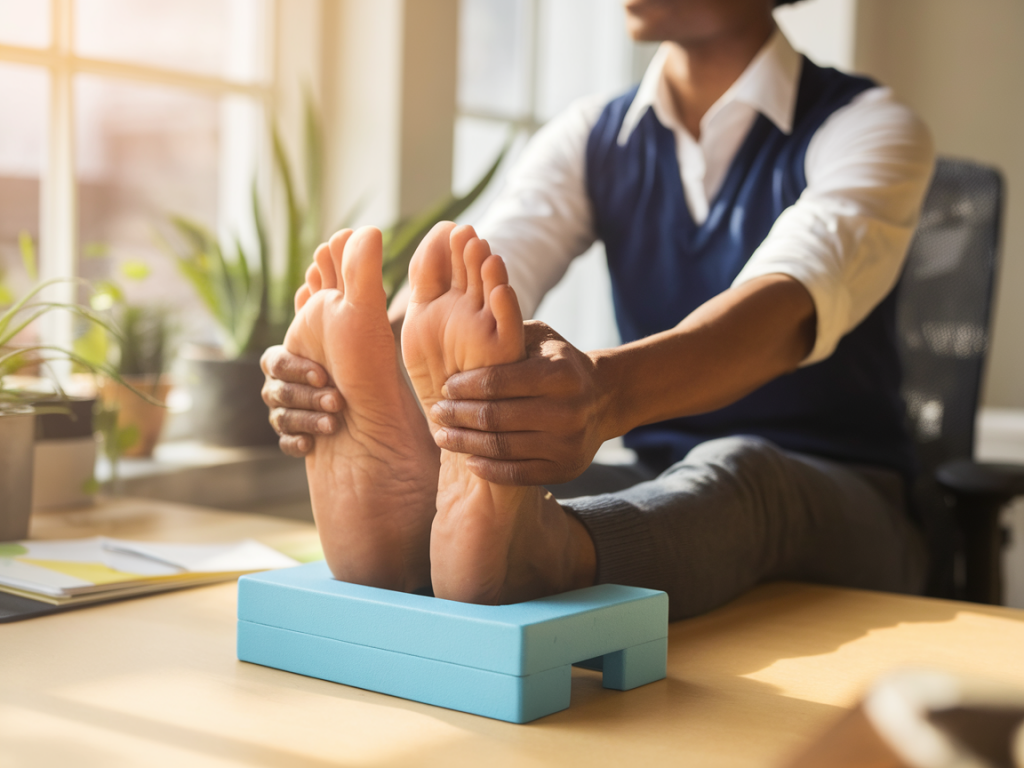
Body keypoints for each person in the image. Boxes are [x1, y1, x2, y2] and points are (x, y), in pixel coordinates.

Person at [261, 0, 936, 619]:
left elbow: (786, 308)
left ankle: (541, 557)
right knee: (527, 483)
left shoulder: (872, 127)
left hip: (852, 497)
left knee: (740, 469)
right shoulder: (593, 135)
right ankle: (425, 543)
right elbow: (479, 279)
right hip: (659, 472)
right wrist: (363, 373)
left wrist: (604, 395)